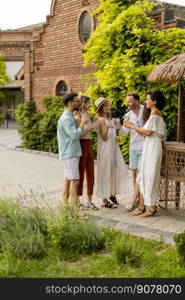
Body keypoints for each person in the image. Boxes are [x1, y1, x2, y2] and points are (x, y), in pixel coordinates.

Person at [124, 90, 166, 217]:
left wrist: (132, 126)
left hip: (152, 146)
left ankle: (150, 209)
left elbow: (148, 132)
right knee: (144, 176)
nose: (146, 101)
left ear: (155, 101)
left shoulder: (155, 113)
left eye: (148, 99)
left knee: (150, 176)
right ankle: (146, 207)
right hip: (149, 145)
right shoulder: (153, 113)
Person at [95, 97, 129, 208]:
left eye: (108, 105)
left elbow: (110, 136)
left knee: (118, 170)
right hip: (105, 151)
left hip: (114, 149)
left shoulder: (111, 120)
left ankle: (111, 194)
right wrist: (108, 128)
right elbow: (104, 137)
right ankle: (104, 200)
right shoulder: (100, 120)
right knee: (105, 172)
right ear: (100, 109)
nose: (108, 108)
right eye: (105, 106)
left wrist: (116, 138)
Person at [57, 92, 88, 208]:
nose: (79, 103)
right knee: (75, 181)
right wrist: (83, 123)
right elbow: (74, 135)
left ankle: (65, 207)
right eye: (77, 101)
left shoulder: (69, 117)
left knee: (68, 180)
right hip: (70, 153)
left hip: (71, 152)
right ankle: (75, 211)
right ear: (70, 103)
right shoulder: (66, 118)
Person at [120, 93, 144, 211]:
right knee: (134, 174)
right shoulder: (127, 115)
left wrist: (132, 125)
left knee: (139, 175)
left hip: (144, 147)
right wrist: (121, 126)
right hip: (133, 147)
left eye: (130, 101)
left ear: (137, 101)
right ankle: (138, 199)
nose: (127, 103)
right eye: (127, 101)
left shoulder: (146, 111)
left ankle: (133, 201)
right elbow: (124, 133)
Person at [74, 95, 98, 210]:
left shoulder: (87, 115)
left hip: (89, 144)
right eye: (89, 103)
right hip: (82, 145)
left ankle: (89, 201)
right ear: (84, 103)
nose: (90, 105)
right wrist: (91, 127)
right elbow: (79, 134)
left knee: (91, 173)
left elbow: (88, 131)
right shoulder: (77, 116)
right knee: (80, 173)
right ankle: (77, 201)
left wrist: (92, 126)